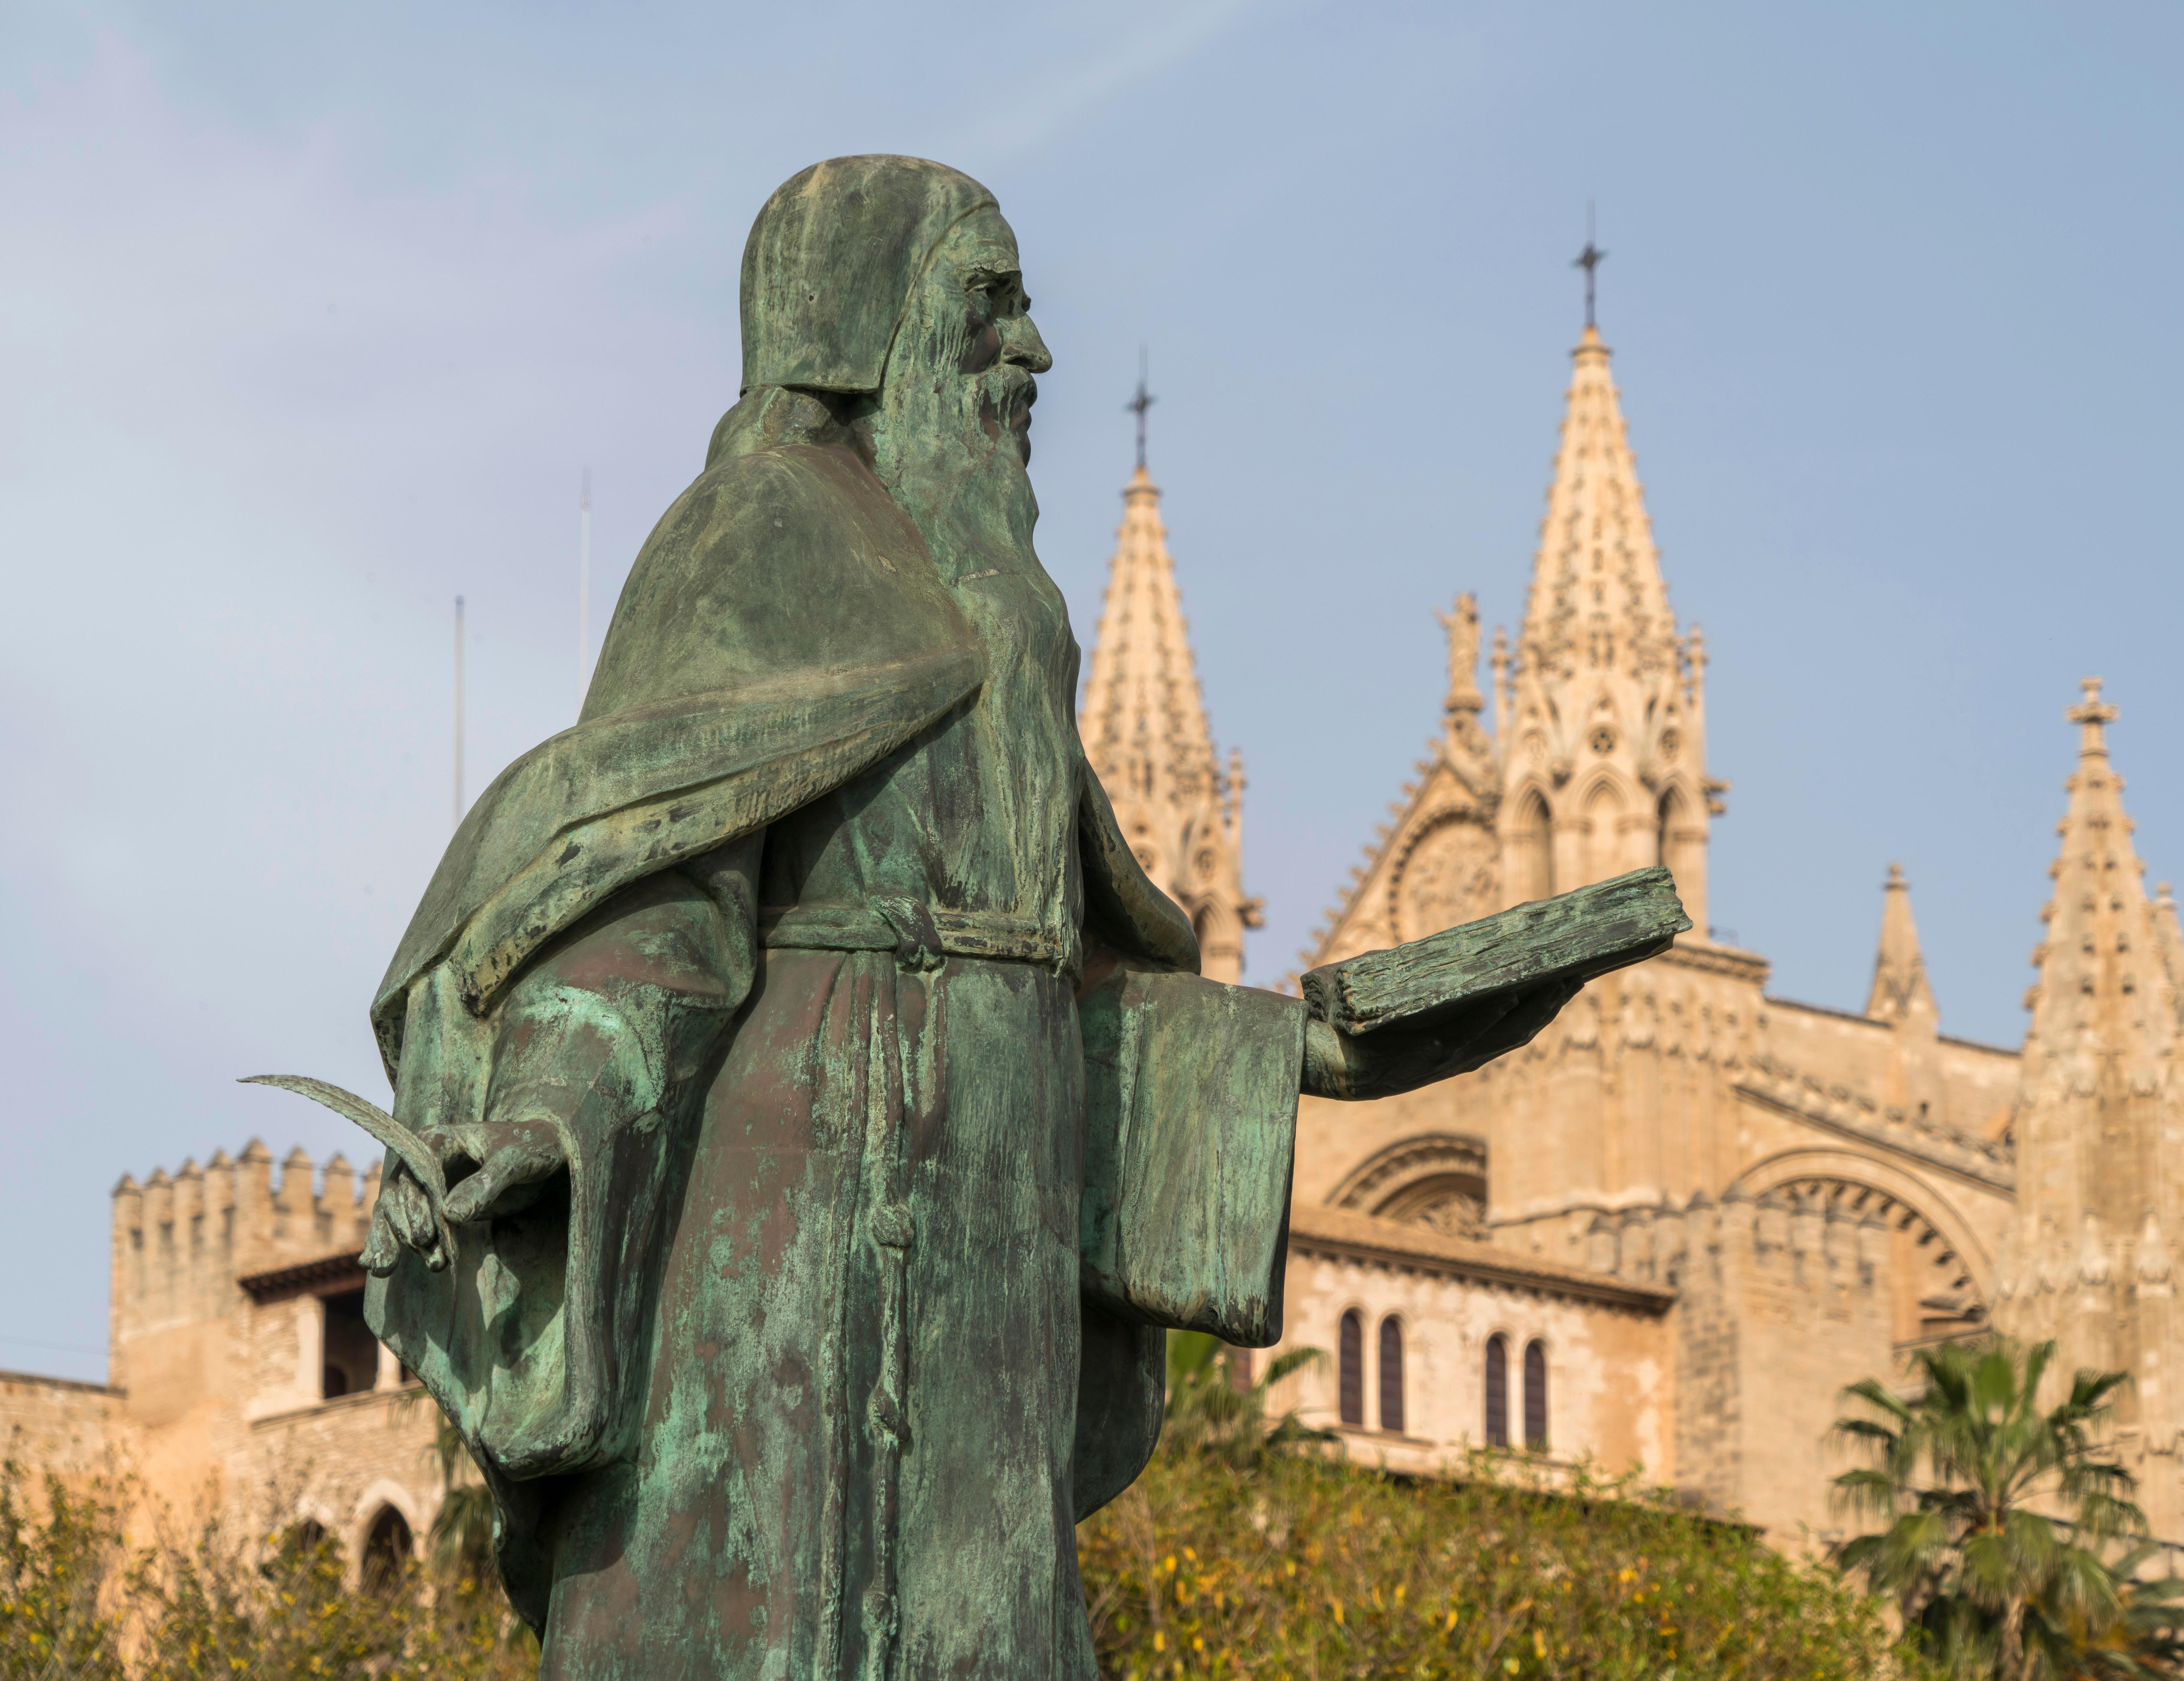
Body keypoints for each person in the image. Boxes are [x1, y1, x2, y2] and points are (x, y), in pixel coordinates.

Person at [353, 154, 1571, 1678]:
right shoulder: (753, 536)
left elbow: (1067, 973)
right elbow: (648, 893)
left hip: (990, 1215)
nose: (1033, 355)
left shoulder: (1012, 602)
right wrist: (545, 1120)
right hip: (794, 1204)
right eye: (988, 309)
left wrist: (1300, 1051)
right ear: (859, 335)